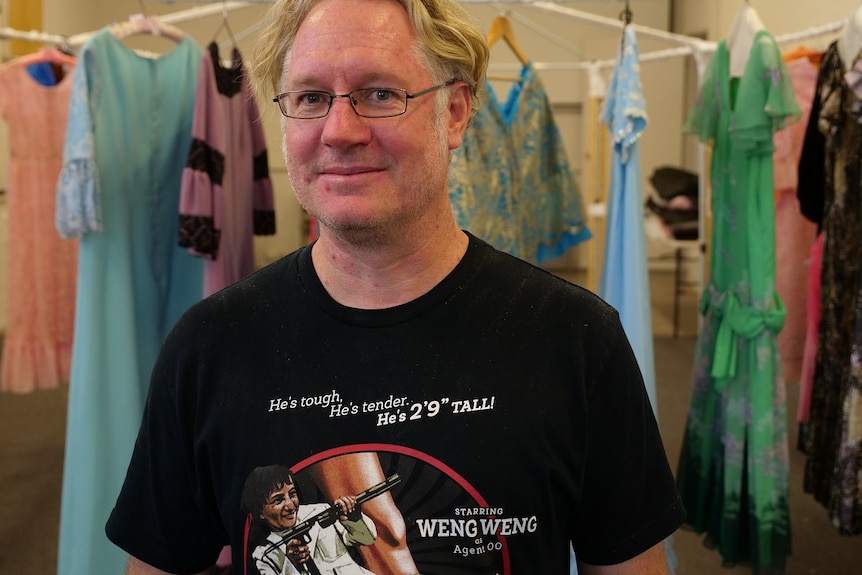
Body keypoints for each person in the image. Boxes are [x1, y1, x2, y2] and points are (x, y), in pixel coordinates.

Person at [105, 0, 686, 573]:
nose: (339, 130)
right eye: (310, 98)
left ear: (455, 112)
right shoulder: (209, 347)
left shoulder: (575, 340)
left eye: (380, 94)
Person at [242, 465, 377, 575]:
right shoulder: (264, 556)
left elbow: (367, 539)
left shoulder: (320, 511)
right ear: (260, 512)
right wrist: (292, 565)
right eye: (278, 500)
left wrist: (354, 519)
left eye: (292, 494)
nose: (290, 505)